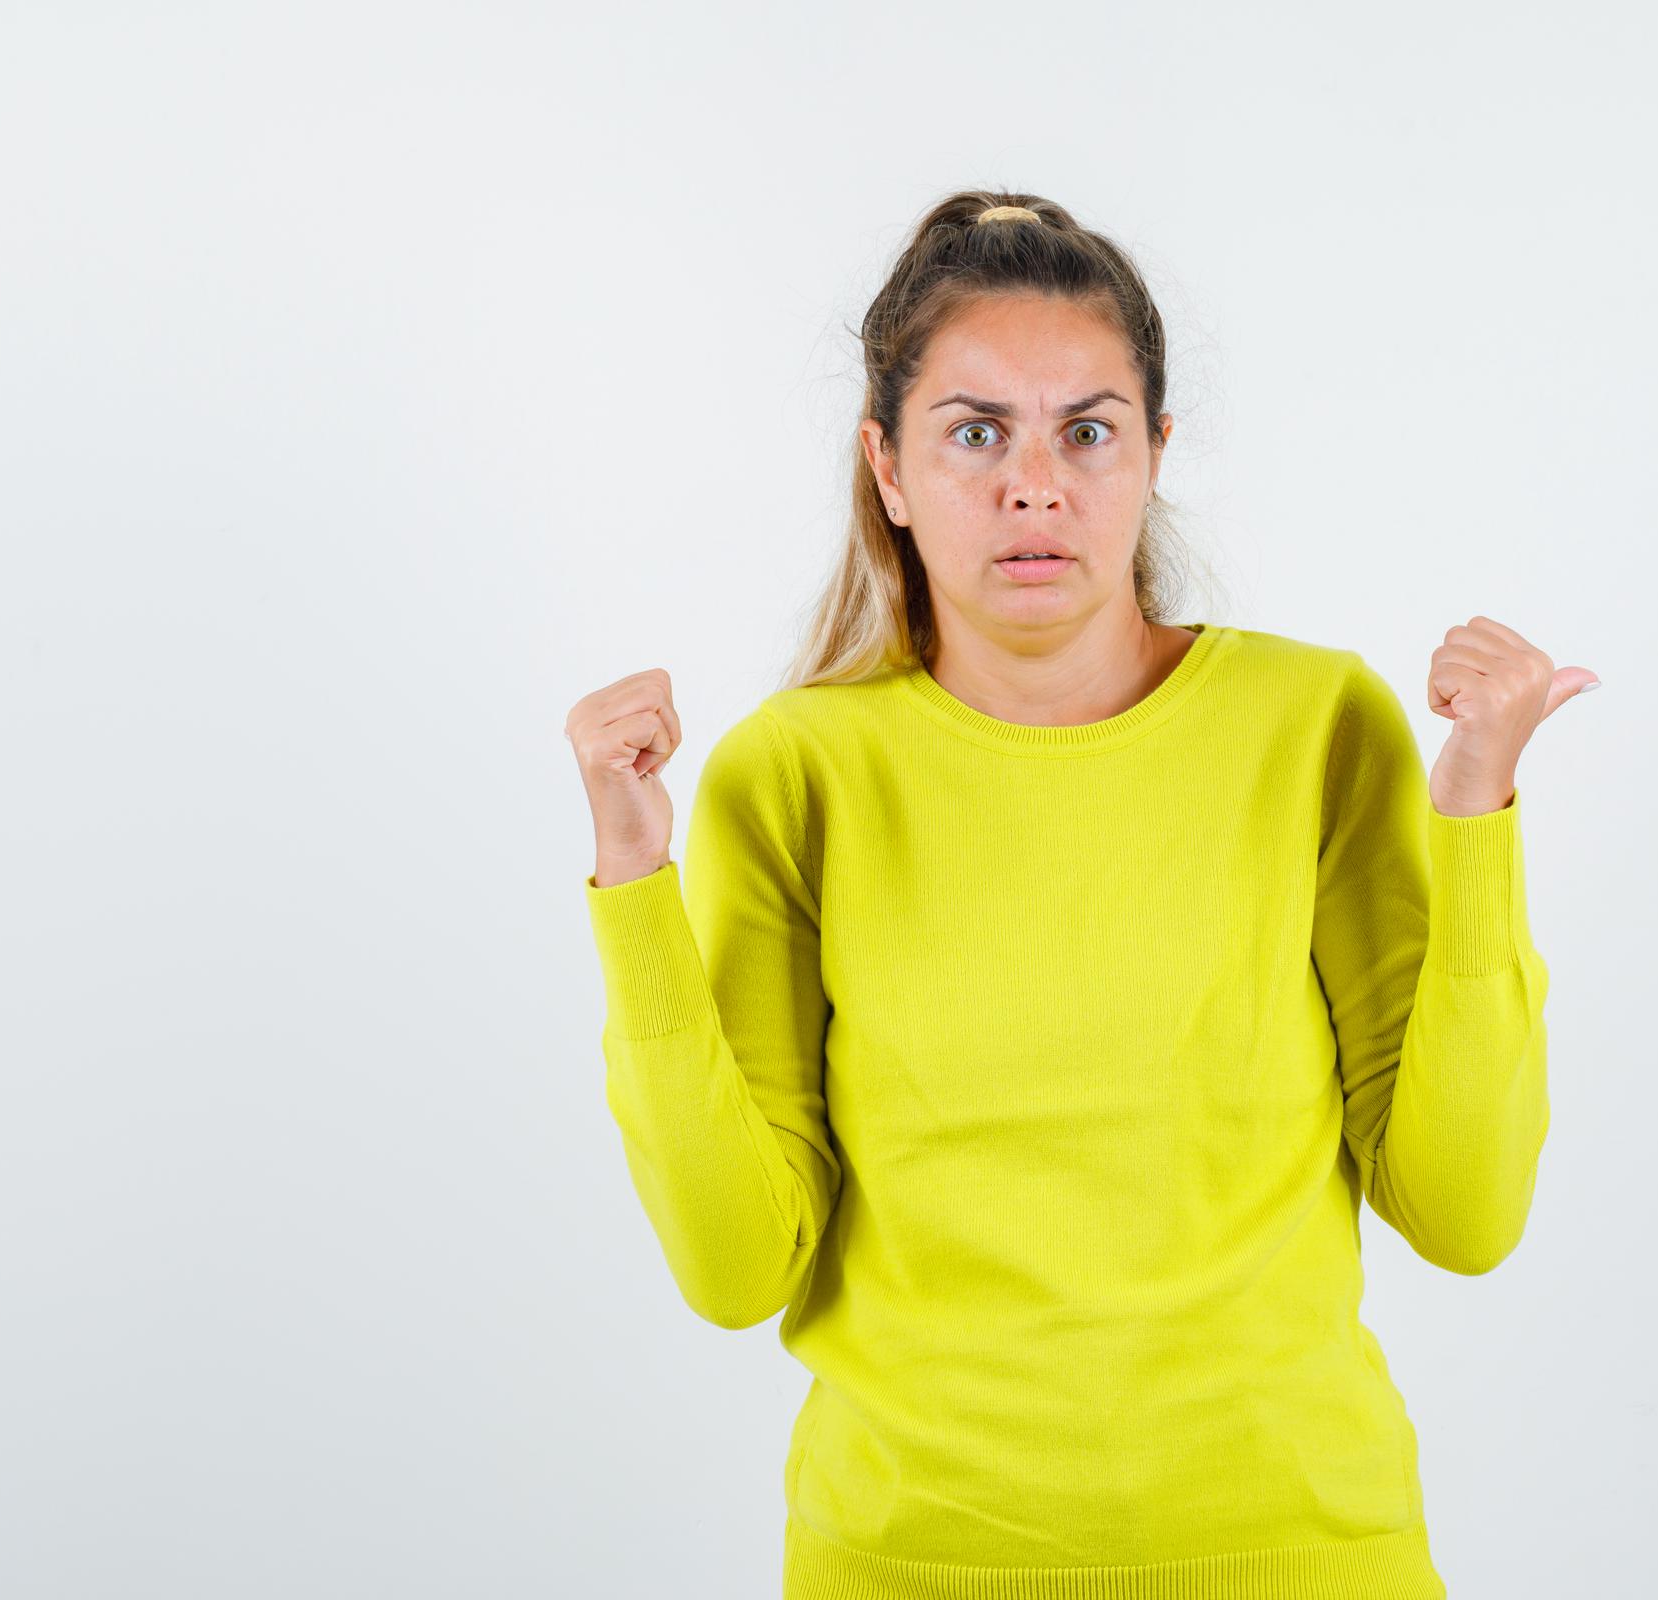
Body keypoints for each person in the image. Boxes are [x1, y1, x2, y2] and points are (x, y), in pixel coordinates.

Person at [564, 190, 1598, 1599]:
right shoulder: (794, 774)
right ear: (888, 465)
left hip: (1310, 1556)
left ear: (1156, 454)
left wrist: (1476, 806)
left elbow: (1465, 1214)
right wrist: (634, 878)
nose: (1034, 484)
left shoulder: (1313, 727)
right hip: (907, 1563)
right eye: (975, 431)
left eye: (1088, 430)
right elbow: (738, 1268)